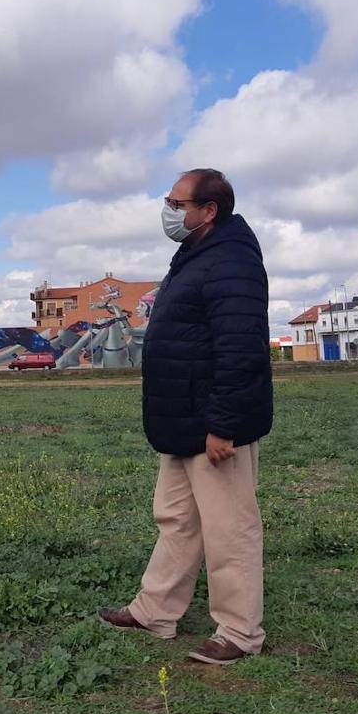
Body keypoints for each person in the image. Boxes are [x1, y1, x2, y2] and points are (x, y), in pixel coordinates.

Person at [99, 168, 273, 665]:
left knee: (230, 527)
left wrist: (224, 425)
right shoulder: (196, 254)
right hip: (182, 421)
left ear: (209, 210)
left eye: (177, 204)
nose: (169, 211)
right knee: (176, 518)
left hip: (214, 424)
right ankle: (156, 610)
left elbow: (240, 349)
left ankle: (239, 632)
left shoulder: (232, 262)